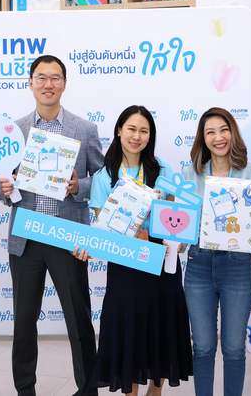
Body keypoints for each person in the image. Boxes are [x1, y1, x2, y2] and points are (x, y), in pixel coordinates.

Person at [0, 55, 103, 396]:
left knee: (79, 320)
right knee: (24, 322)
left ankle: (87, 390)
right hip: (26, 237)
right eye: (41, 77)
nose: (48, 84)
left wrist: (79, 185)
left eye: (55, 78)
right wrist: (3, 187)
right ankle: (25, 389)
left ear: (64, 84)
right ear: (30, 83)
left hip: (68, 235)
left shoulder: (85, 129)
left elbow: (102, 178)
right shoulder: (13, 130)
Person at [74, 105, 192, 395]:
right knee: (130, 330)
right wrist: (93, 245)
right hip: (126, 264)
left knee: (161, 325)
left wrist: (173, 239)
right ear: (119, 131)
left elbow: (175, 217)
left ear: (150, 135)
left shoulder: (162, 169)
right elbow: (104, 228)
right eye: (131, 129)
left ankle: (156, 390)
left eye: (143, 131)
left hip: (162, 261)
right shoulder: (104, 176)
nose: (137, 136)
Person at [180, 107, 251, 396]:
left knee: (233, 349)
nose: (218, 137)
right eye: (210, 132)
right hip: (198, 264)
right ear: (202, 138)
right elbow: (181, 224)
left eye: (223, 130)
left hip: (237, 265)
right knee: (203, 347)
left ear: (233, 132)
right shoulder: (189, 174)